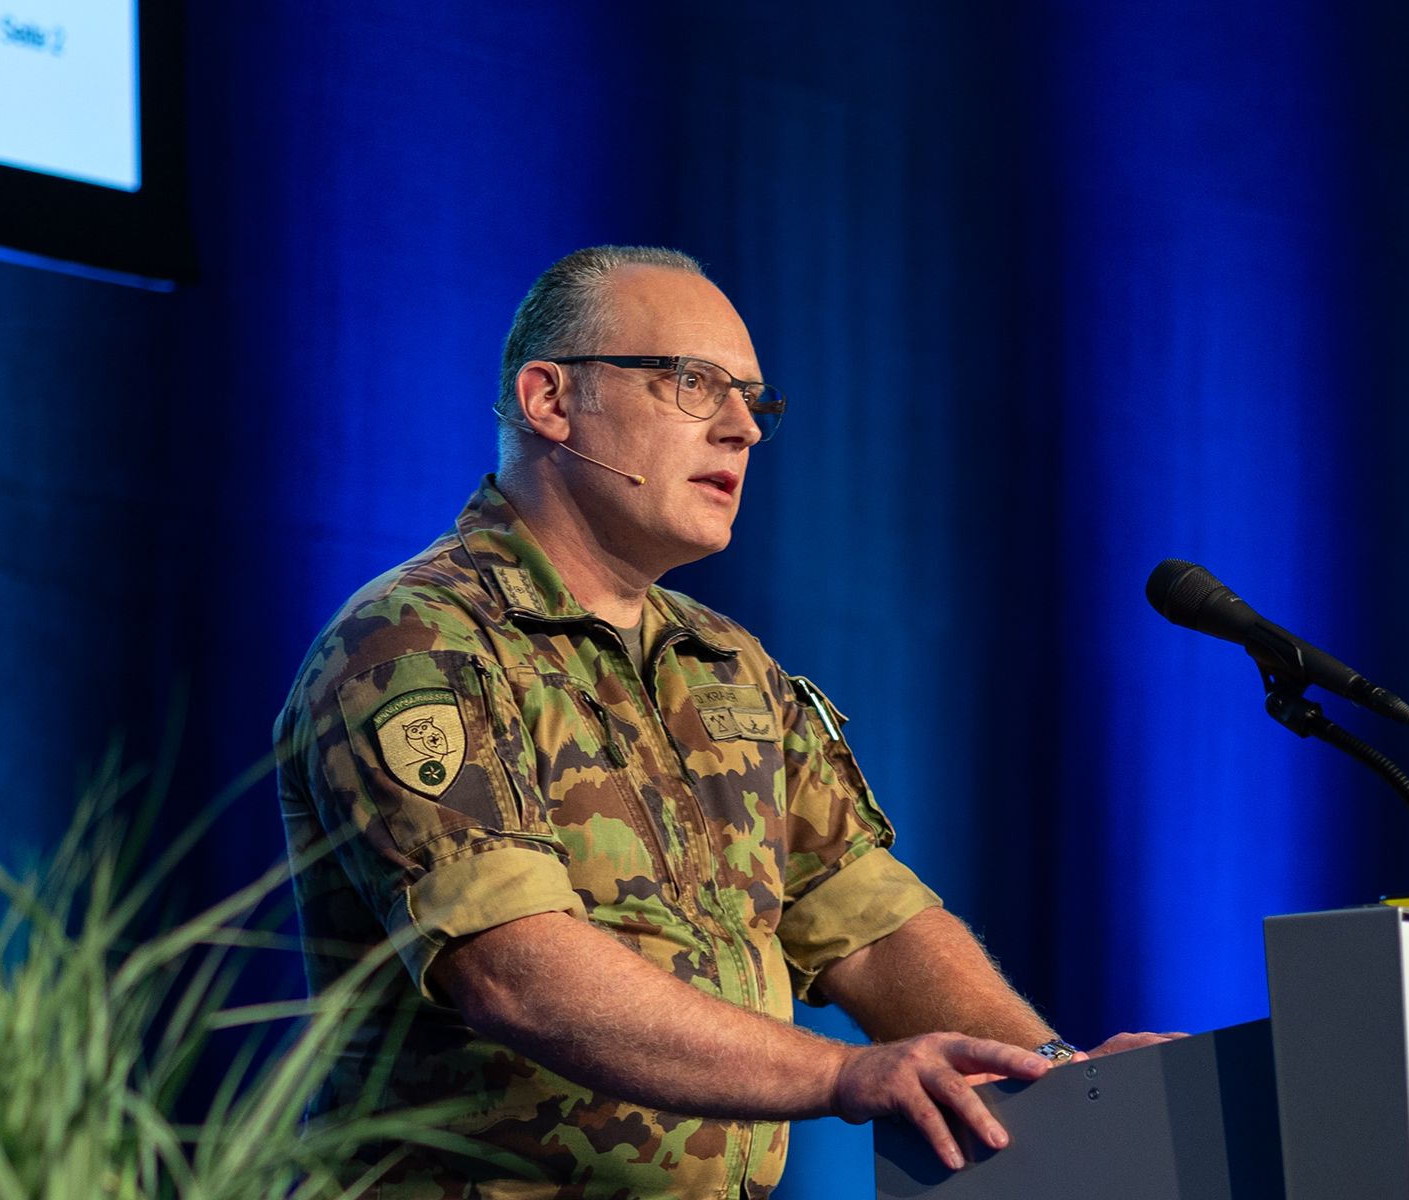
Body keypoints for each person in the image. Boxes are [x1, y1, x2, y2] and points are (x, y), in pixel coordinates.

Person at [274, 245, 1170, 1199]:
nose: (741, 428)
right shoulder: (418, 640)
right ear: (550, 400)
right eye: (693, 383)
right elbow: (514, 970)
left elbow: (871, 923)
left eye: (752, 400)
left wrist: (1062, 1080)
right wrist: (844, 1075)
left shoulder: (727, 662)